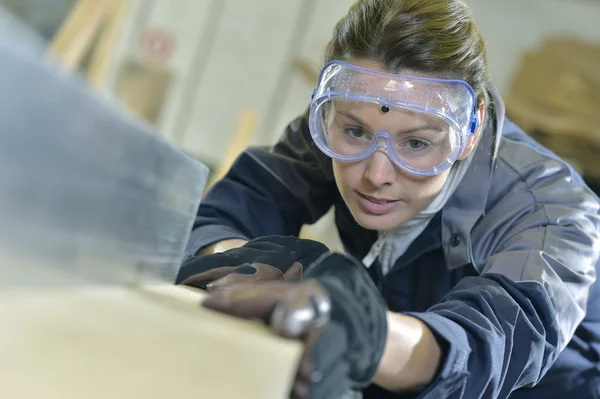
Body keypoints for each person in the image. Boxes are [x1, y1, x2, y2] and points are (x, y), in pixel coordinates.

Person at [176, 0, 600, 398]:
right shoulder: (340, 126)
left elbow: (492, 343)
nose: (376, 174)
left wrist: (368, 332)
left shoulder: (553, 210)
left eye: (416, 144)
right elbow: (235, 207)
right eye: (355, 132)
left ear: (471, 131)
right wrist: (248, 260)